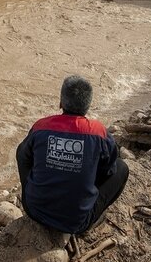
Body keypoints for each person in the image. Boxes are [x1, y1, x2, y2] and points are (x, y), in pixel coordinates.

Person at [16, 75, 129, 235]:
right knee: (121, 167)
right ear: (88, 106)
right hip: (77, 223)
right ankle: (89, 212)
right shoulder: (98, 132)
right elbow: (108, 169)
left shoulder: (41, 127)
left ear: (61, 102)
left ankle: (33, 194)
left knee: (23, 151)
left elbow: (23, 156)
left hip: (35, 211)